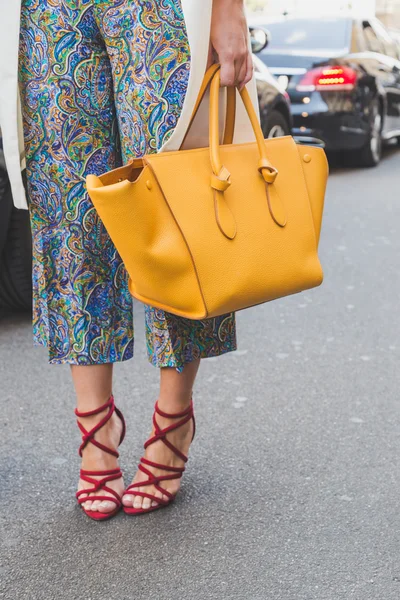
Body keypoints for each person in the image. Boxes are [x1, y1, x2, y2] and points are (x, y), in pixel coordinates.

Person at [3, 0, 256, 520]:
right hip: (48, 11)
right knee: (71, 214)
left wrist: (229, 9)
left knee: (173, 208)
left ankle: (173, 417)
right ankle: (96, 426)